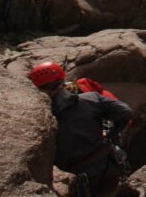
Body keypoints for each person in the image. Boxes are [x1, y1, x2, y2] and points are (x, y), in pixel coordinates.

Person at [29, 62, 132, 197]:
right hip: (107, 164)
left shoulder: (42, 114)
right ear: (62, 82)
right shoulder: (91, 99)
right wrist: (109, 134)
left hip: (75, 176)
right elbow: (125, 111)